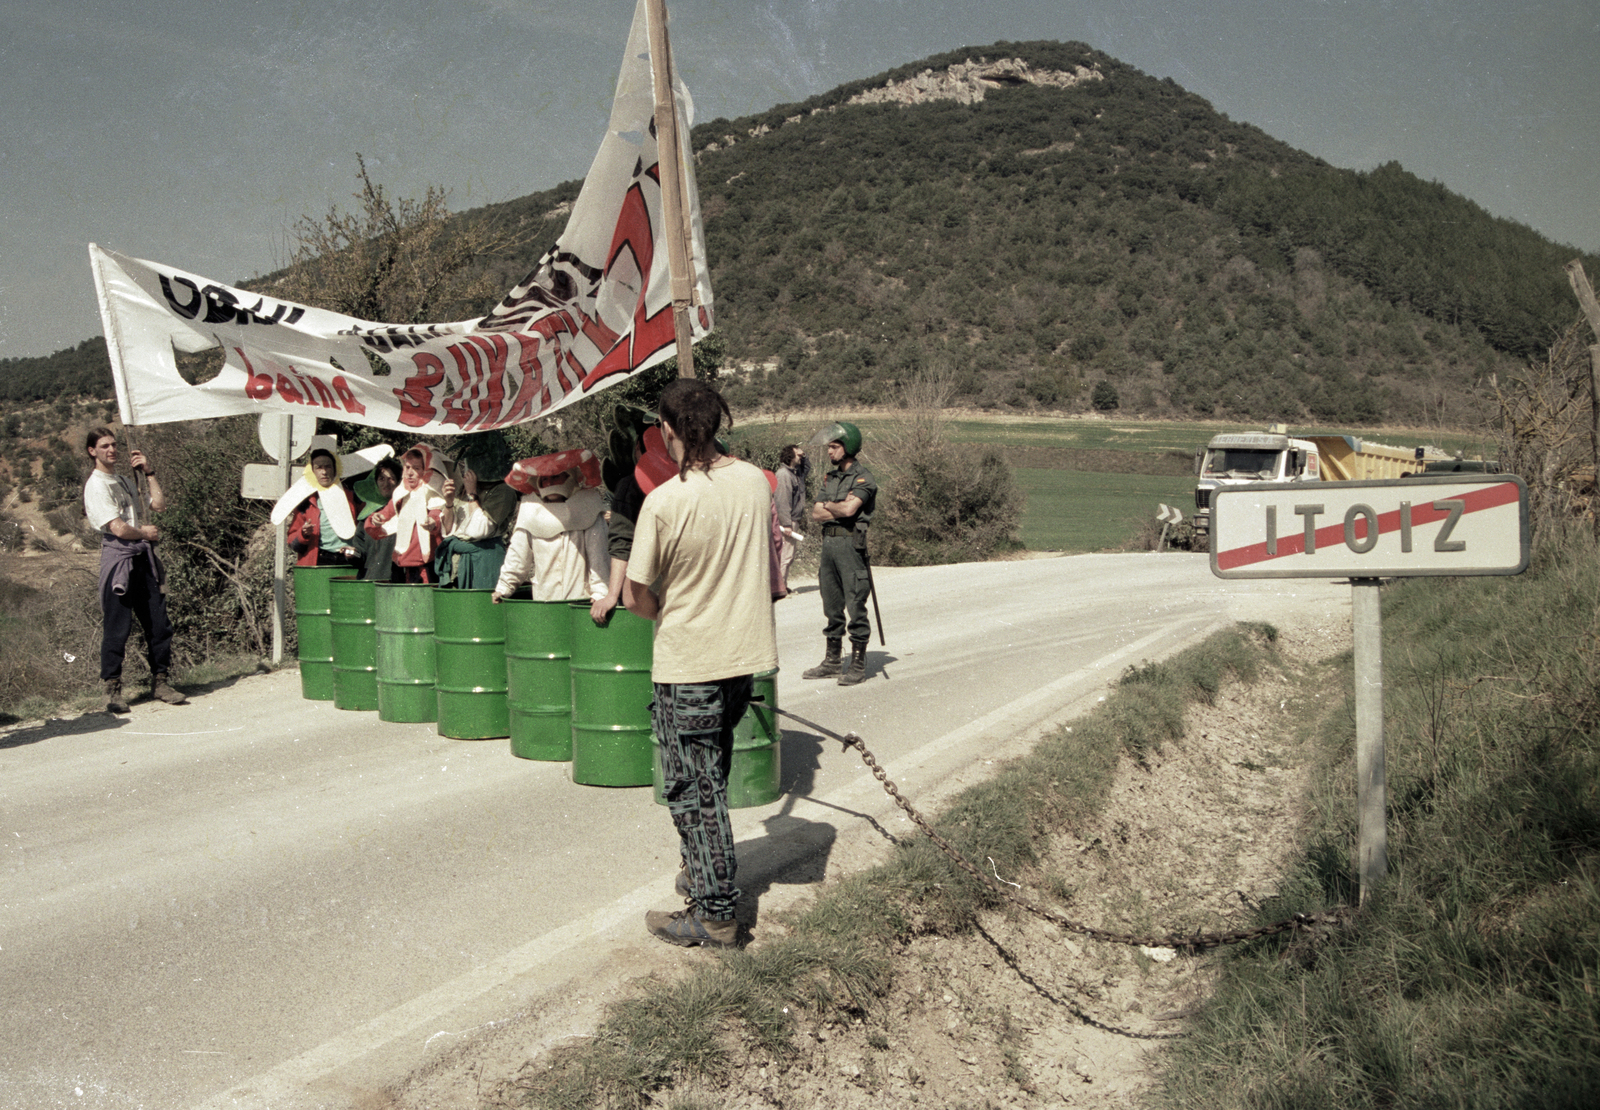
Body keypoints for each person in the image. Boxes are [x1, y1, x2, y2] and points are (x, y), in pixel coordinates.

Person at [624, 379, 778, 948]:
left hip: (689, 663)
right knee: (714, 771)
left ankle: (714, 914)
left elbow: (635, 595)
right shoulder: (756, 484)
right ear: (718, 423)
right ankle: (704, 868)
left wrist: (668, 609)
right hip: (745, 660)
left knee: (695, 789)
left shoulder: (664, 502)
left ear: (667, 431)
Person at [81, 427, 188, 714]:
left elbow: (160, 505)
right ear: (92, 451)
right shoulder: (96, 485)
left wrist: (149, 473)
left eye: (114, 445)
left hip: (143, 557)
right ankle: (113, 690)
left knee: (158, 621)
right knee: (118, 627)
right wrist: (144, 533)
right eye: (104, 446)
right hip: (119, 560)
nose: (111, 450)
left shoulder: (127, 481)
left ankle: (161, 682)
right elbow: (117, 528)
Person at [802, 421, 877, 686]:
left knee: (855, 604)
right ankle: (833, 661)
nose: (829, 452)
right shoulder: (831, 478)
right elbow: (815, 513)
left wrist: (832, 507)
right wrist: (839, 506)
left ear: (848, 447)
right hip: (829, 546)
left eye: (834, 446)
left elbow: (848, 511)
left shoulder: (864, 478)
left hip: (850, 546)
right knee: (831, 604)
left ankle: (857, 663)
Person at [492, 449, 609, 604]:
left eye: (556, 477)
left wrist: (600, 593)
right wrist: (504, 588)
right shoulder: (530, 510)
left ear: (570, 477)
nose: (550, 483)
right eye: (545, 479)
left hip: (581, 601)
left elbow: (599, 557)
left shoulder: (588, 507)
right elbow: (517, 555)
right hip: (544, 601)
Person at [434, 434, 518, 589]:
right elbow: (448, 529)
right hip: (460, 561)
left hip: (485, 559)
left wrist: (472, 494)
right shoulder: (464, 487)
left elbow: (480, 530)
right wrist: (449, 502)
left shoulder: (503, 491)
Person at [363, 445, 448, 583]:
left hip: (426, 564)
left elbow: (436, 513)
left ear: (426, 471)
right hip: (402, 563)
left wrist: (432, 522)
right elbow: (384, 515)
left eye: (416, 468)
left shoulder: (433, 492)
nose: (409, 473)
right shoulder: (400, 493)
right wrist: (376, 519)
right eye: (407, 467)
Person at [286, 448, 360, 567]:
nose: (324, 472)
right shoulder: (306, 502)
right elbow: (292, 542)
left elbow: (366, 529)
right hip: (319, 561)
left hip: (348, 560)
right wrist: (303, 533)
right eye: (319, 467)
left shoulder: (352, 497)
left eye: (328, 467)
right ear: (313, 472)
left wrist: (358, 550)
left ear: (335, 469)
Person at [352, 456, 402, 581]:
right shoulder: (366, 516)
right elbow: (360, 553)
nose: (386, 483)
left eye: (391, 479)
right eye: (381, 479)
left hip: (395, 581)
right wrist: (352, 554)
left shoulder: (404, 512)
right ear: (375, 482)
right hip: (368, 582)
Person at [773, 444, 808, 596]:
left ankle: (782, 585)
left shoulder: (795, 473)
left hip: (792, 520)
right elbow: (782, 501)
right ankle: (780, 588)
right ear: (790, 456)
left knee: (788, 555)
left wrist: (803, 455)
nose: (801, 457)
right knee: (785, 555)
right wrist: (786, 524)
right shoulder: (784, 475)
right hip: (788, 522)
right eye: (798, 455)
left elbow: (807, 469)